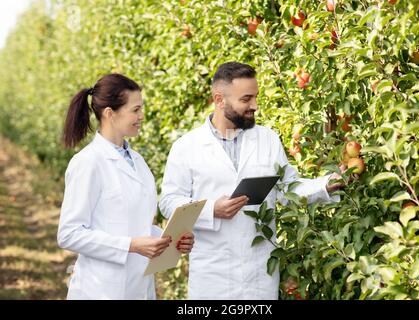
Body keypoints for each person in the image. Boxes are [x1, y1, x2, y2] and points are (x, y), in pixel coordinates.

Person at [159, 62, 345, 300]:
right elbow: (168, 201)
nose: (254, 106)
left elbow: (288, 189)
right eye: (246, 99)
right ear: (219, 100)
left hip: (259, 274)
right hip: (212, 274)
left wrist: (325, 184)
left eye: (255, 97)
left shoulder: (268, 139)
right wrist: (211, 209)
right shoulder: (187, 147)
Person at [57, 73, 194, 300]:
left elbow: (136, 223)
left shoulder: (138, 162)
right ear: (110, 114)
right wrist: (130, 246)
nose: (142, 116)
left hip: (139, 287)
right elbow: (69, 234)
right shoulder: (88, 163)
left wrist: (171, 239)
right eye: (135, 110)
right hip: (100, 289)